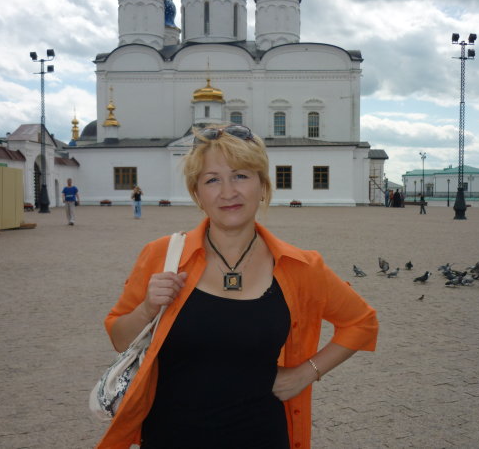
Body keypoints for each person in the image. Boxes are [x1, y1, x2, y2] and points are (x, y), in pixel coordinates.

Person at [96, 125, 379, 449]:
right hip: (171, 436)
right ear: (197, 194)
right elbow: (120, 339)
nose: (228, 192)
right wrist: (148, 308)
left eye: (240, 176)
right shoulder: (162, 256)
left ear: (263, 186)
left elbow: (362, 322)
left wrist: (306, 373)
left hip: (263, 436)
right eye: (212, 180)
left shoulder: (300, 267)